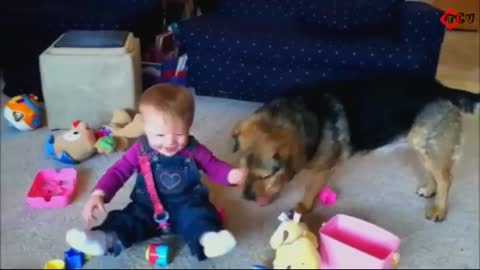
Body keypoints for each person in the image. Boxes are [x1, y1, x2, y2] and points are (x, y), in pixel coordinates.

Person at [65, 83, 247, 261]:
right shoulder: (140, 150)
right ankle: (104, 239)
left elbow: (213, 166)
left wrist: (233, 175)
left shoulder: (194, 149)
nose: (169, 142)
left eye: (179, 134)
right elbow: (118, 172)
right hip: (146, 206)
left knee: (201, 216)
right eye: (160, 135)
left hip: (187, 204)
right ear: (145, 127)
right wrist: (99, 194)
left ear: (189, 126)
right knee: (127, 219)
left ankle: (208, 240)